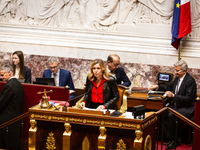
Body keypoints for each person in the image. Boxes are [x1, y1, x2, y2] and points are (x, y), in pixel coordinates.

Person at [148, 60, 197, 150]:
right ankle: (173, 137)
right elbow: (168, 87)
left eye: (177, 71)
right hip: (177, 106)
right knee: (162, 113)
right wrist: (157, 87)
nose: (175, 72)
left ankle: (174, 141)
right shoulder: (178, 78)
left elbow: (188, 99)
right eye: (175, 70)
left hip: (187, 108)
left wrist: (174, 96)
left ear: (184, 71)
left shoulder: (190, 81)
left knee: (171, 115)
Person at [0, 64, 24, 150]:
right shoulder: (18, 84)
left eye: (2, 75)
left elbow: (1, 103)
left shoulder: (9, 86)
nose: (1, 77)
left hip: (6, 122)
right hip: (15, 120)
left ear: (9, 73)